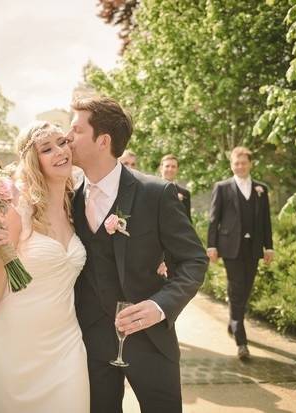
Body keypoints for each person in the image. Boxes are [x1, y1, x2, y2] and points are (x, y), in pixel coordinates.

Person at [68, 96, 208, 413]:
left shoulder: (155, 193)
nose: (67, 137)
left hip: (149, 339)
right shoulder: (69, 198)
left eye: (76, 130)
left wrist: (161, 305)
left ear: (102, 141)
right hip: (89, 342)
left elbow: (193, 261)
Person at [0, 121, 90, 413]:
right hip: (15, 345)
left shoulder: (79, 205)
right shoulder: (17, 210)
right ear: (32, 160)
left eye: (62, 142)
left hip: (66, 343)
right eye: (47, 148)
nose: (60, 152)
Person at [207, 146, 274, 360]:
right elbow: (213, 219)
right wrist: (212, 245)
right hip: (230, 247)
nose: (240, 166)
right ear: (231, 165)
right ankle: (241, 341)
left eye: (243, 162)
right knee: (237, 288)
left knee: (246, 288)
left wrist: (269, 246)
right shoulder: (222, 187)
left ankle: (233, 320)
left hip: (253, 248)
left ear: (250, 164)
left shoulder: (260, 189)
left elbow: (266, 220)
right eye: (236, 163)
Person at [159, 154, 191, 220]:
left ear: (177, 170)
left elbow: (187, 219)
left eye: (173, 167)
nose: (170, 169)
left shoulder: (185, 193)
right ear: (161, 168)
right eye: (167, 166)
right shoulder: (151, 189)